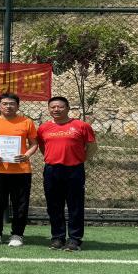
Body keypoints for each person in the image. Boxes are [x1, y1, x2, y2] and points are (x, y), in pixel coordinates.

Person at [37, 95, 97, 251]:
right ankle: (57, 237)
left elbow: (92, 147)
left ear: (68, 108)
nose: (56, 109)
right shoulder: (43, 128)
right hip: (51, 170)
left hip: (74, 170)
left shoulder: (81, 126)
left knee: (75, 205)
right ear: (49, 109)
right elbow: (43, 147)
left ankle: (74, 239)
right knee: (54, 205)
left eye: (60, 106)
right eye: (53, 107)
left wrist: (80, 159)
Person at [0, 92, 39, 247]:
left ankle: (17, 235)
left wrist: (26, 155)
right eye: (5, 103)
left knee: (20, 205)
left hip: (21, 171)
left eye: (12, 104)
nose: (8, 106)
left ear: (18, 106)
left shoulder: (27, 122)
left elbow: (34, 144)